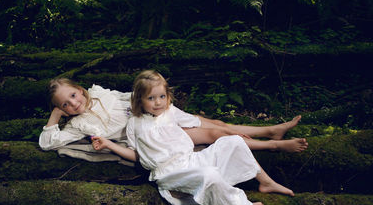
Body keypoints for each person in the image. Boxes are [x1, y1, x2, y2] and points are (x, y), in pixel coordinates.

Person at [91, 70, 294, 205]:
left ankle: (266, 182)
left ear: (168, 96)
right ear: (140, 101)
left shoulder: (171, 112)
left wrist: (230, 131)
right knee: (209, 176)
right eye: (150, 98)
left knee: (234, 142)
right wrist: (108, 143)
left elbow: (198, 122)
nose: (158, 102)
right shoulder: (135, 123)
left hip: (190, 159)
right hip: (168, 173)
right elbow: (136, 155)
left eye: (162, 96)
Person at [39, 78, 308, 152]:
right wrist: (54, 117)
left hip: (157, 113)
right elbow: (47, 142)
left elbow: (130, 99)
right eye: (64, 105)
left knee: (218, 123)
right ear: (62, 110)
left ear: (79, 89)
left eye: (73, 95)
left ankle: (271, 130)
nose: (73, 103)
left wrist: (156, 104)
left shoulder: (99, 92)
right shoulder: (77, 125)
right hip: (152, 132)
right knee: (216, 133)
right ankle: (274, 145)